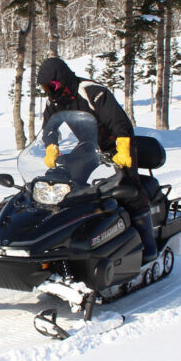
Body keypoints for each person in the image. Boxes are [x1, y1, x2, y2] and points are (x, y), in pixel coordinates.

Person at [36, 57, 159, 263]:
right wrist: (51, 145)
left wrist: (123, 146)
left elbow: (118, 120)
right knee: (68, 184)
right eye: (44, 87)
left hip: (117, 144)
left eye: (52, 85)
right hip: (89, 146)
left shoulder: (91, 91)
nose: (49, 90)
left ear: (62, 78)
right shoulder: (55, 100)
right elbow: (49, 127)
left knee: (129, 189)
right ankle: (78, 236)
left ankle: (148, 247)